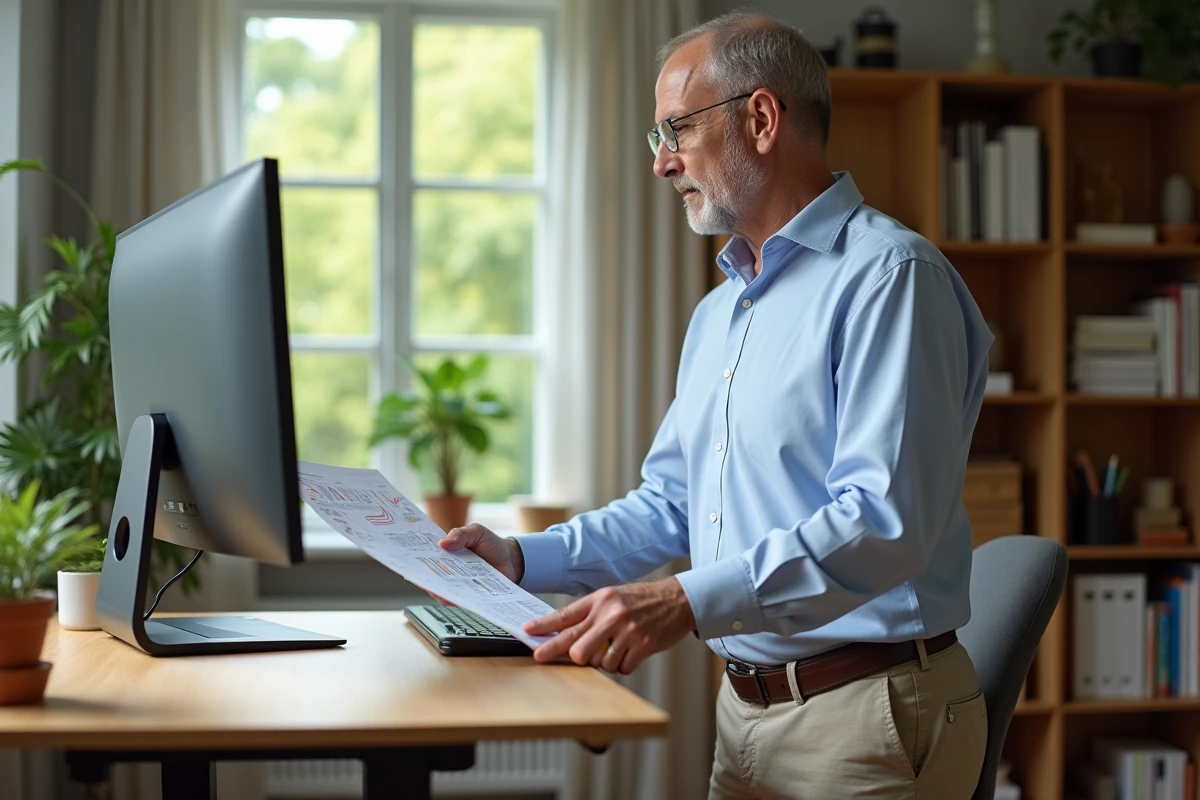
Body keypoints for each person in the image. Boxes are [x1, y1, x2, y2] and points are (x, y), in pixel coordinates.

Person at [440, 11, 992, 799]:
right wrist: (525, 559)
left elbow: (880, 522)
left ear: (761, 120)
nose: (663, 163)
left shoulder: (890, 278)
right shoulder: (720, 312)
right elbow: (672, 503)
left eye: (677, 130)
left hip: (868, 719)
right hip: (744, 714)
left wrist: (683, 600)